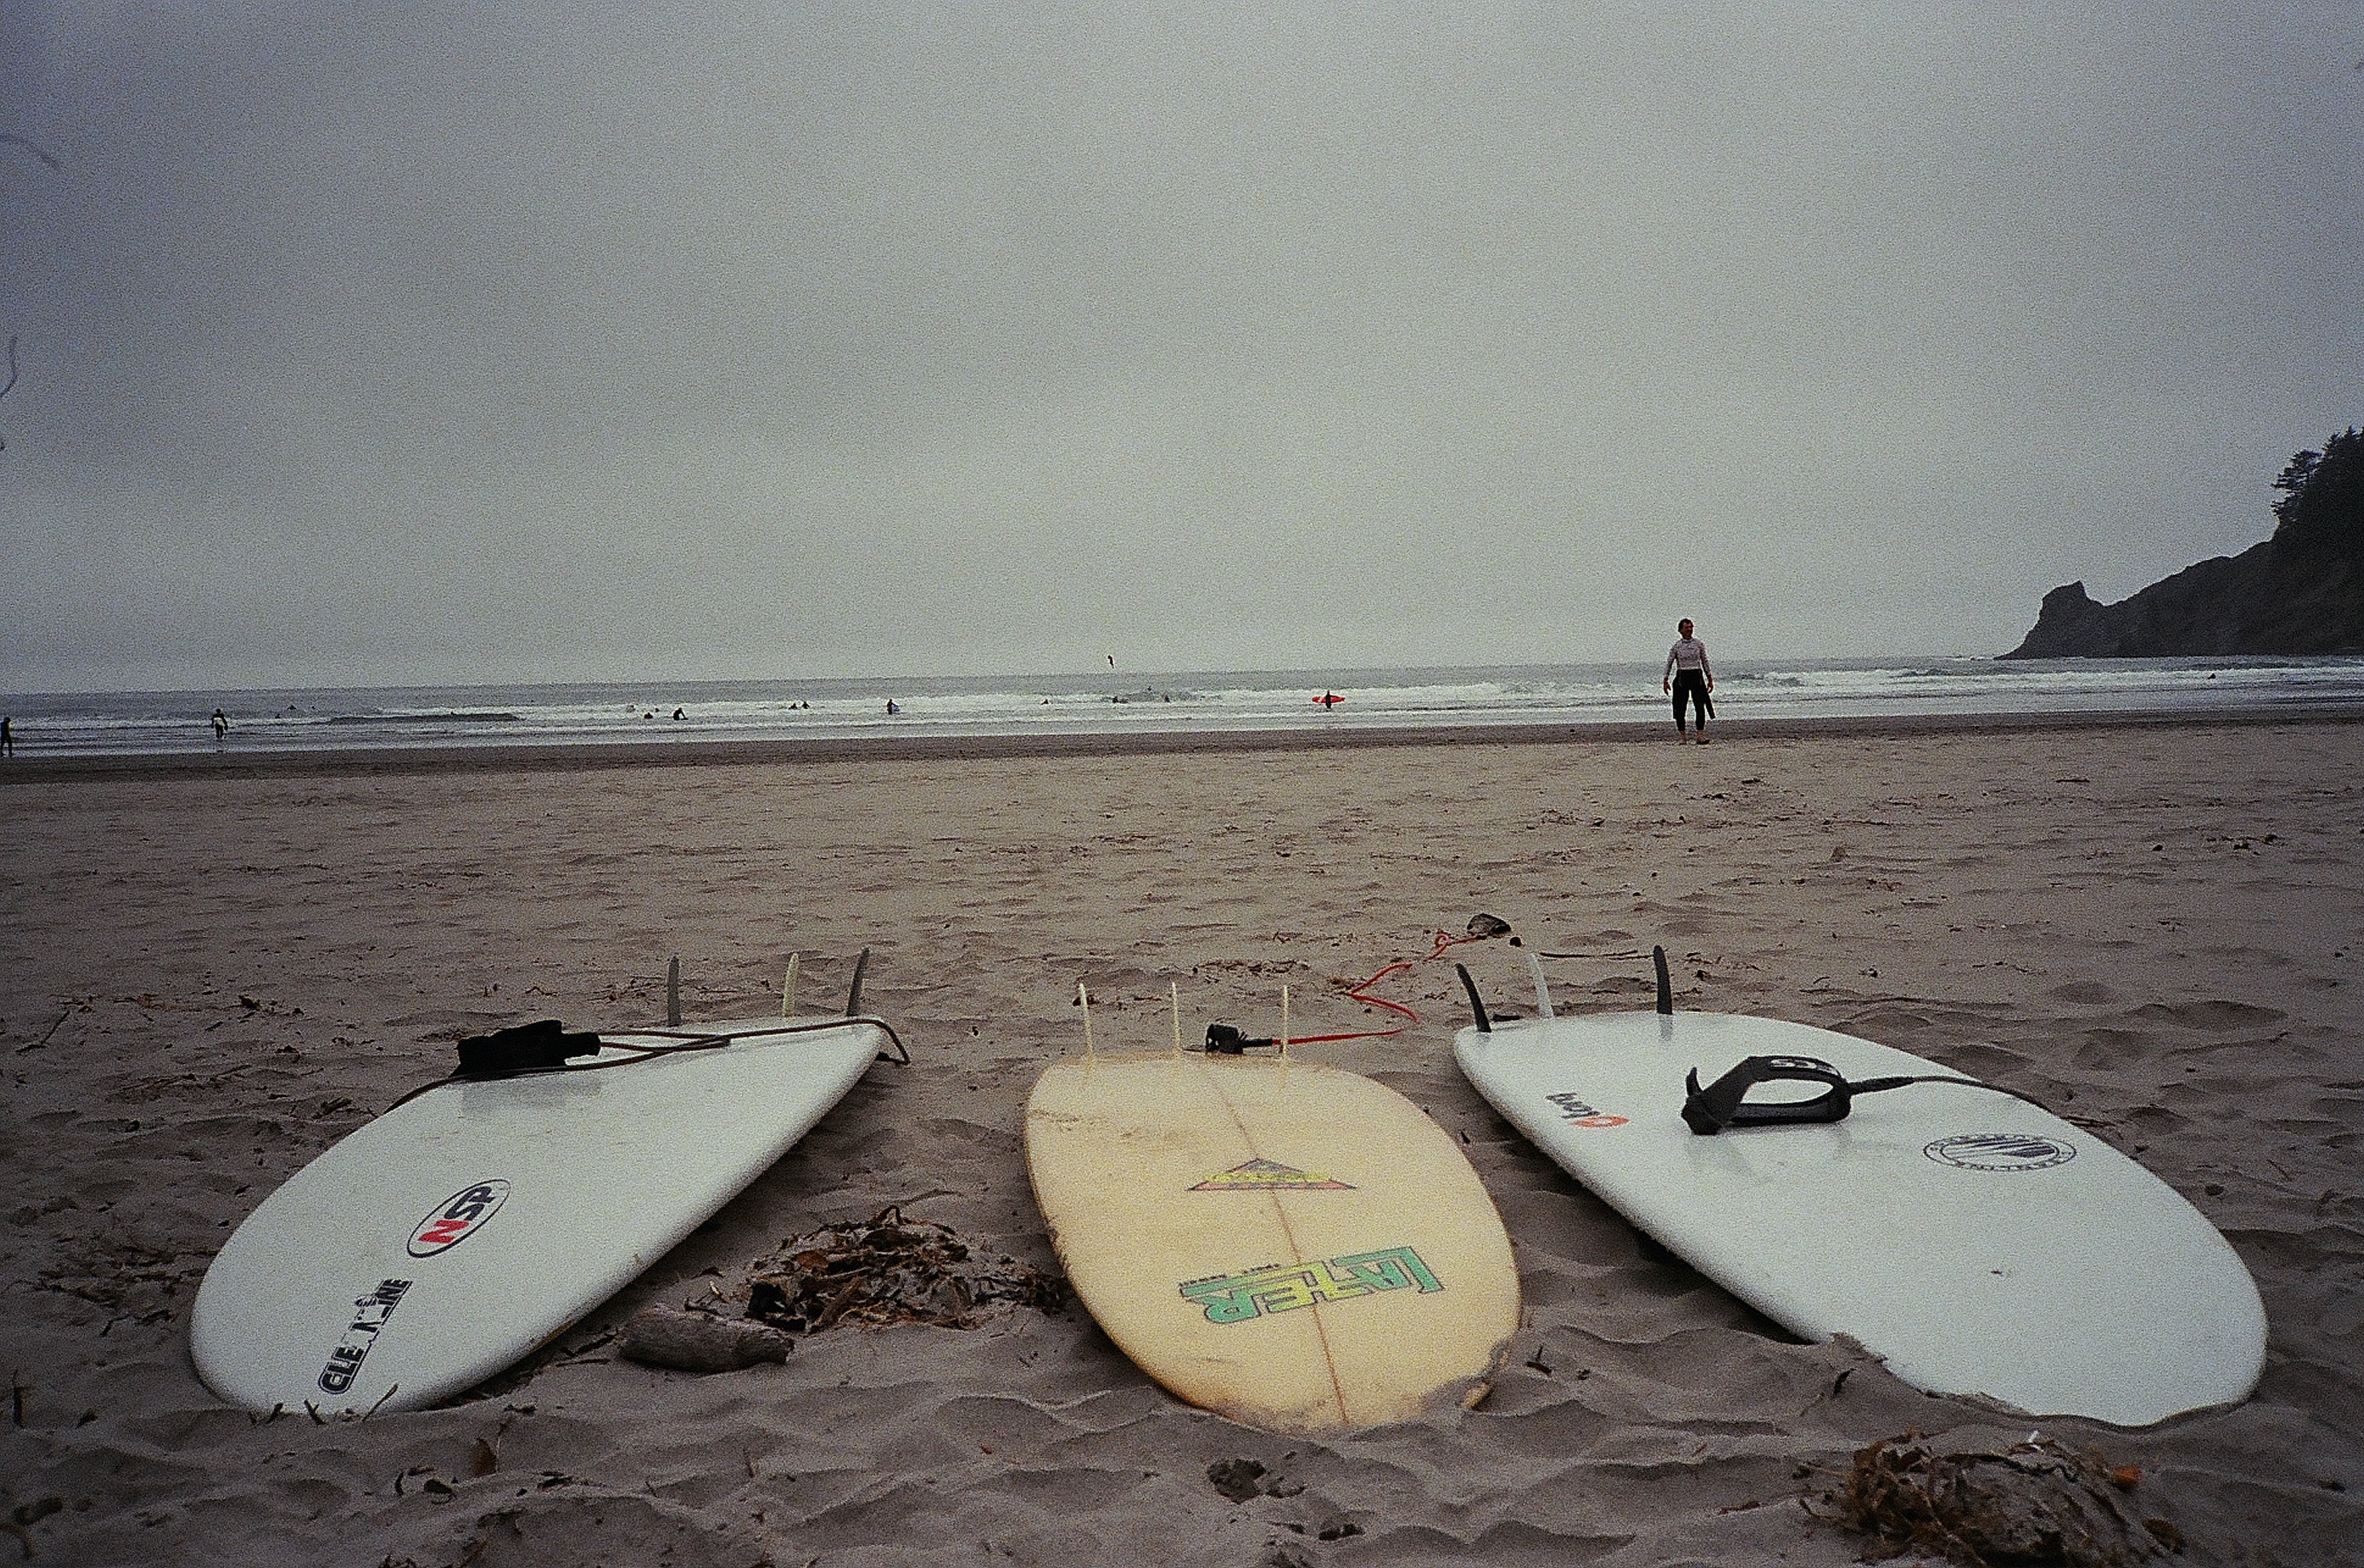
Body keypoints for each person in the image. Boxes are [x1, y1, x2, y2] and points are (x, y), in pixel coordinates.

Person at [1662, 619, 1713, 743]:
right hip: (1682, 676)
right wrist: (1665, 679)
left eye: (1691, 627)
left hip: (1697, 675)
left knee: (1700, 706)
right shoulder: (1677, 646)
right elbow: (1669, 662)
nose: (1689, 630)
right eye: (1687, 628)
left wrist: (1709, 678)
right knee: (1680, 708)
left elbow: (1705, 661)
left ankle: (1700, 736)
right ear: (1680, 630)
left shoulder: (1699, 644)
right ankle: (1682, 736)